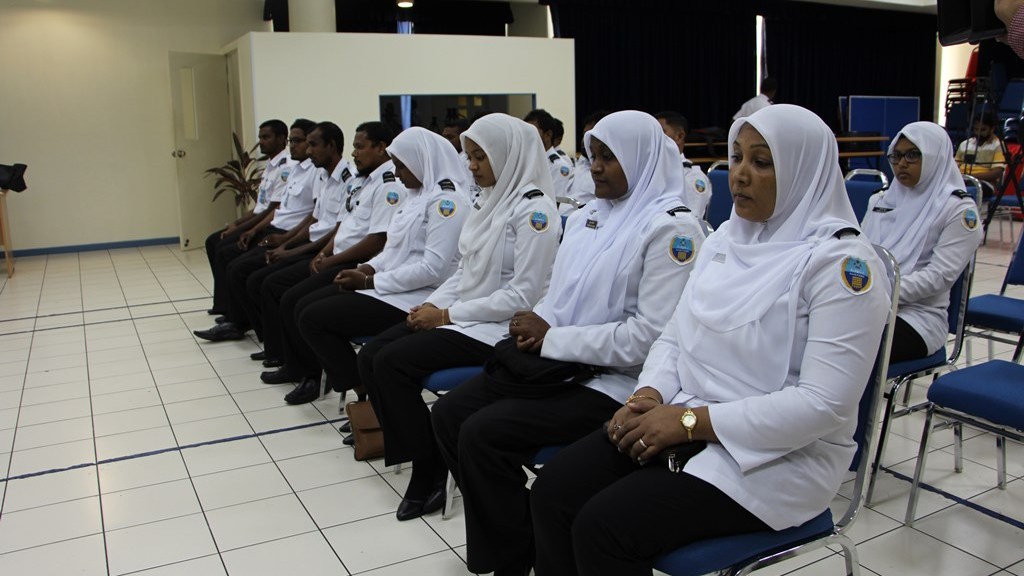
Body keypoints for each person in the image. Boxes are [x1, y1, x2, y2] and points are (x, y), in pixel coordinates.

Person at [528, 104, 892, 576]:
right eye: (737, 157)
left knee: (604, 527)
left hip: (779, 458)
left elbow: (823, 405)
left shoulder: (840, 266)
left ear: (804, 171)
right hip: (683, 415)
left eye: (761, 162)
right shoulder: (724, 240)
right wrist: (647, 394)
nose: (739, 174)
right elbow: (674, 337)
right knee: (554, 491)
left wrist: (687, 422)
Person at [431, 110, 706, 576]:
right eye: (592, 155)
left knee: (483, 434)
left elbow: (648, 338)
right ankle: (518, 540)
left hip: (615, 383)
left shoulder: (671, 230)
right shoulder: (587, 217)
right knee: (449, 414)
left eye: (608, 157)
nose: (594, 166)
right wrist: (539, 322)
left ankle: (515, 557)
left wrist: (553, 337)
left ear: (640, 160)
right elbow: (557, 297)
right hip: (557, 365)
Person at [357, 114, 560, 521]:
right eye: (468, 156)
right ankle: (424, 454)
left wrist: (447, 315)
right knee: (372, 355)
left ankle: (428, 469)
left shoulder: (535, 211)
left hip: (497, 328)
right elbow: (464, 271)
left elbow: (523, 296)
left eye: (480, 157)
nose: (471, 166)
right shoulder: (489, 200)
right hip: (465, 314)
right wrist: (431, 306)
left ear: (507, 155)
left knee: (392, 363)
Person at [284, 128, 469, 404]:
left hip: (419, 297)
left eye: (401, 166)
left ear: (422, 161)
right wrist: (367, 269)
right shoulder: (416, 195)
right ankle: (366, 396)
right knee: (304, 306)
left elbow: (433, 269)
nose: (397, 173)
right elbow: (392, 251)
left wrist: (369, 282)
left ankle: (365, 395)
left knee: (314, 318)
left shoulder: (447, 202)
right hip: (391, 286)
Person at [257, 121, 401, 372]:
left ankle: (308, 373)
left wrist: (330, 260)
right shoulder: (362, 180)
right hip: (336, 255)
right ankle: (298, 366)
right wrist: (323, 253)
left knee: (296, 302)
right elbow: (342, 226)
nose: (354, 153)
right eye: (354, 147)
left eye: (360, 147)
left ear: (380, 148)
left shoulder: (389, 184)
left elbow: (376, 241)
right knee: (289, 295)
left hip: (356, 263)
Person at [863, 121, 983, 362]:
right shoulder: (881, 200)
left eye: (912, 155)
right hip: (868, 302)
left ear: (935, 157)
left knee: (849, 344)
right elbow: (859, 251)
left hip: (918, 317)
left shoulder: (957, 210)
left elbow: (939, 277)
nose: (901, 163)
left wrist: (880, 291)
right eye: (896, 156)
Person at [194, 119, 322, 342]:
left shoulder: (310, 171)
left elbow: (310, 215)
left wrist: (282, 239)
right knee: (224, 252)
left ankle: (241, 322)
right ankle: (235, 316)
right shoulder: (292, 169)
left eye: (299, 141)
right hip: (277, 230)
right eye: (292, 141)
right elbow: (271, 208)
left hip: (291, 235)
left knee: (236, 265)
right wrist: (243, 226)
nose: (294, 146)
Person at [205, 119, 290, 316]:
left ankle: (232, 311)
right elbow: (259, 207)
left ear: (281, 139)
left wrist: (248, 229)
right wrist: (236, 223)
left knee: (225, 251)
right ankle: (224, 304)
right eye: (260, 137)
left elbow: (272, 210)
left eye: (266, 137)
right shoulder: (270, 166)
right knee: (213, 242)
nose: (261, 142)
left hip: (269, 224)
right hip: (261, 219)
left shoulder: (285, 167)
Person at [656, 110, 714, 218]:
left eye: (660, 132)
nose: (654, 138)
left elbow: (690, 221)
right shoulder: (652, 171)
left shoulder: (692, 177)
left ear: (679, 136)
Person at [563, 110, 609, 215]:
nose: (585, 140)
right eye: (584, 134)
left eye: (591, 135)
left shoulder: (607, 170)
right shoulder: (579, 165)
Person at [524, 108, 574, 201]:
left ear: (548, 135)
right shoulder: (528, 161)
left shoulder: (559, 166)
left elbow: (555, 201)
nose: (527, 137)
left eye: (532, 133)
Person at [955, 111, 1006, 193]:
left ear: (992, 129)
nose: (978, 133)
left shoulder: (998, 145)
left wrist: (970, 177)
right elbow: (954, 167)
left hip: (985, 183)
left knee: (968, 189)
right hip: (961, 180)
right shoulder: (964, 144)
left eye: (983, 130)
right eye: (976, 129)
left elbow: (997, 173)